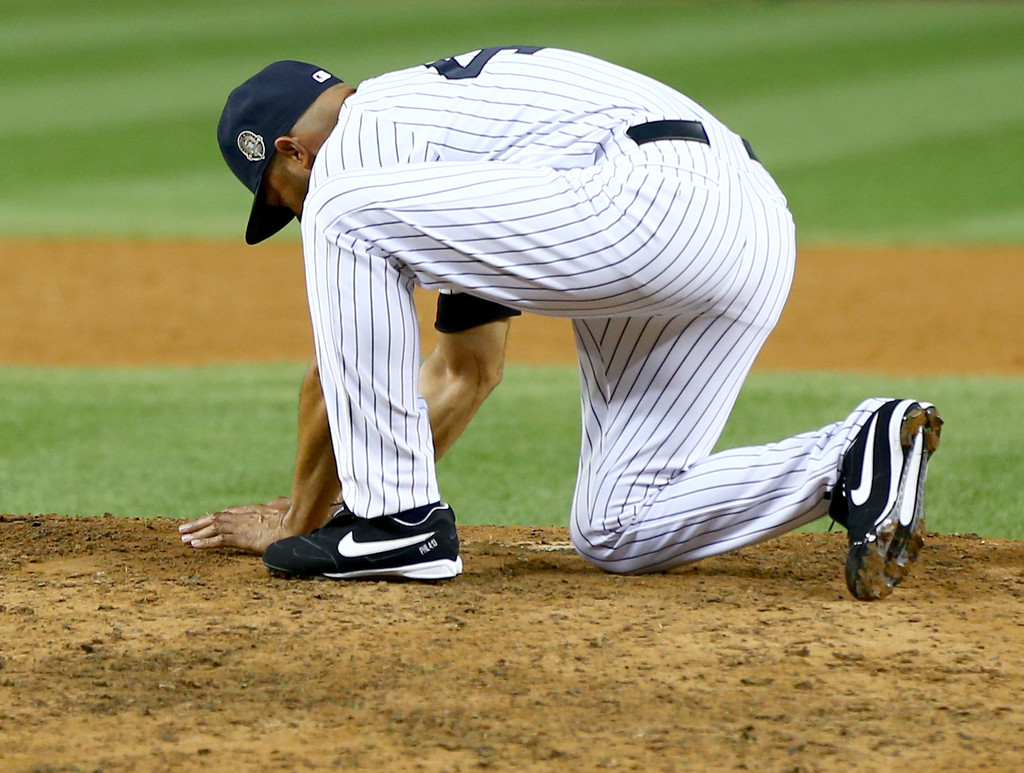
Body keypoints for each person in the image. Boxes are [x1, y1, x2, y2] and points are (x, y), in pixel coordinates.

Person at [189, 47, 941, 599]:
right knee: (618, 524)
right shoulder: (440, 139)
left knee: (341, 216)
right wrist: (342, 504)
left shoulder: (360, 142)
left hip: (659, 198)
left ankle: (394, 524)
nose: (291, 211)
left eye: (279, 195)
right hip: (745, 229)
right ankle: (850, 453)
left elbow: (335, 380)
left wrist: (301, 519)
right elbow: (465, 371)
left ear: (291, 149)